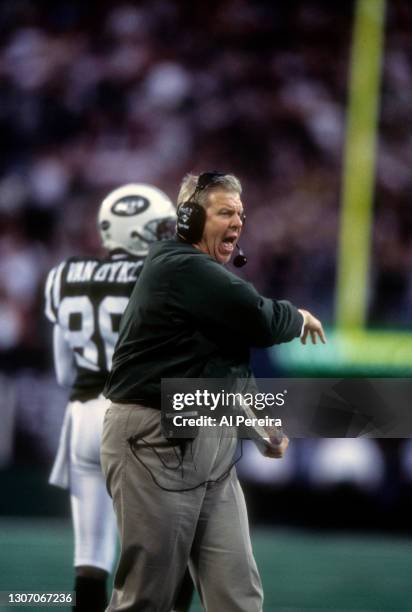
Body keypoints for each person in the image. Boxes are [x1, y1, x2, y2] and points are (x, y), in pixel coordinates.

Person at [101, 171, 326, 612]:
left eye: (241, 214)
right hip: (153, 441)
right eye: (225, 212)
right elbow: (259, 319)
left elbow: (221, 368)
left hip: (208, 446)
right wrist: (297, 317)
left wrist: (259, 424)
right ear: (188, 219)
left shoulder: (200, 281)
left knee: (238, 598)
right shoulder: (180, 265)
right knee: (147, 600)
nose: (238, 222)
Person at [44, 183, 179, 611]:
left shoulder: (66, 275)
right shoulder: (169, 274)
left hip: (83, 417)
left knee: (90, 558)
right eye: (161, 227)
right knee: (168, 553)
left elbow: (64, 370)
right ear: (140, 232)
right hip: (141, 417)